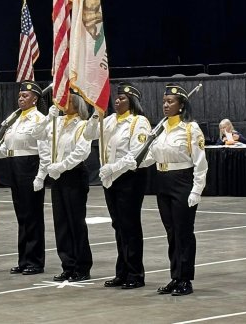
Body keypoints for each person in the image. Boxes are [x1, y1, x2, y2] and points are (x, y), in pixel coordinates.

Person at [84, 82, 151, 289]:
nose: (117, 100)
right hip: (110, 178)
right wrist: (96, 114)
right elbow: (88, 135)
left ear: (132, 102)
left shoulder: (138, 122)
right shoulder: (109, 120)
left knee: (130, 225)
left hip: (130, 177)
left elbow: (136, 154)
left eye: (122, 98)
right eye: (117, 97)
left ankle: (135, 273)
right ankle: (121, 272)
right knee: (118, 226)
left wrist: (112, 169)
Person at [142, 84, 208, 296]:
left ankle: (185, 279)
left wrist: (196, 190)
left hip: (182, 181)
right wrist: (128, 163)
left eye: (170, 102)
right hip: (162, 180)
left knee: (184, 232)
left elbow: (200, 162)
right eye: (164, 102)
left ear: (181, 105)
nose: (166, 105)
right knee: (171, 233)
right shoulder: (160, 128)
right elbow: (151, 156)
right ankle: (175, 276)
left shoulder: (190, 128)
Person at [0, 80, 50, 275]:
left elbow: (44, 152)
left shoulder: (38, 120)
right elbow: (8, 149)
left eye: (25, 95)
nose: (21, 98)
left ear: (35, 99)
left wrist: (41, 176)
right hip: (14, 167)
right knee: (22, 216)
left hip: (30, 167)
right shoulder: (14, 118)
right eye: (20, 95)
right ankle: (24, 259)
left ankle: (35, 261)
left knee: (33, 216)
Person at [32, 92, 93, 282]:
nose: (63, 103)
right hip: (57, 176)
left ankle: (82, 266)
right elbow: (36, 134)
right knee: (61, 223)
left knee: (76, 222)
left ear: (77, 105)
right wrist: (48, 117)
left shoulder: (83, 125)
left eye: (67, 100)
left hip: (73, 174)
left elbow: (81, 151)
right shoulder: (57, 123)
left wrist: (62, 166)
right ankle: (68, 265)